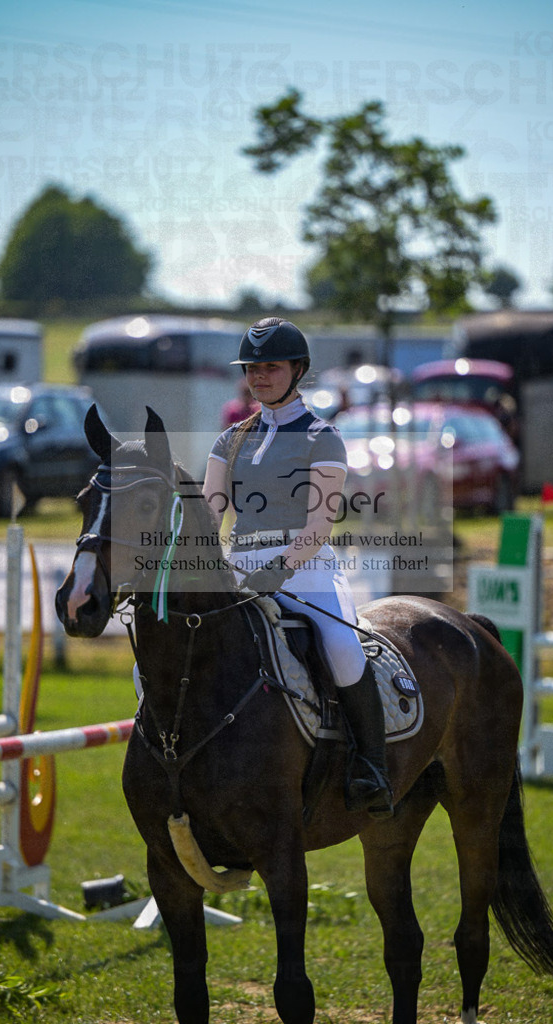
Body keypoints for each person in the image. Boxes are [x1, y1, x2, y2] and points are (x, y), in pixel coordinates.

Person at [203, 317, 393, 818]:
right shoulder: (229, 441)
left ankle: (370, 766)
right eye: (252, 368)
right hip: (238, 568)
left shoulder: (322, 438)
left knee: (343, 647)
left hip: (305, 568)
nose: (259, 376)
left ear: (298, 370)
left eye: (271, 366)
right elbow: (208, 514)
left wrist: (279, 569)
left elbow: (319, 526)